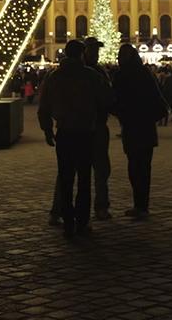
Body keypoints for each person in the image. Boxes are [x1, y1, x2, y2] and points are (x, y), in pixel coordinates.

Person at [38, 39, 111, 237]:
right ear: (82, 54)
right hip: (86, 132)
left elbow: (43, 105)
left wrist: (47, 129)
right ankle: (82, 222)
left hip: (64, 132)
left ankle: (68, 221)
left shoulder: (54, 76)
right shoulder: (91, 76)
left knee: (66, 177)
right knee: (84, 179)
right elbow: (105, 100)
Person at [111, 43, 169, 219]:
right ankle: (142, 205)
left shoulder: (121, 76)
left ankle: (140, 205)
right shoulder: (145, 74)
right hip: (146, 128)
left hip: (132, 127)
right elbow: (159, 101)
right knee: (144, 167)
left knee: (135, 167)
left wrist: (122, 114)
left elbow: (114, 101)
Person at [83, 37, 114, 220]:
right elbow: (108, 97)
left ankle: (59, 209)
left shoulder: (98, 71)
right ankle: (100, 207)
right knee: (98, 169)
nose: (96, 53)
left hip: (85, 126)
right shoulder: (96, 73)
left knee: (101, 169)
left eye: (97, 50)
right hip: (90, 126)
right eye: (93, 50)